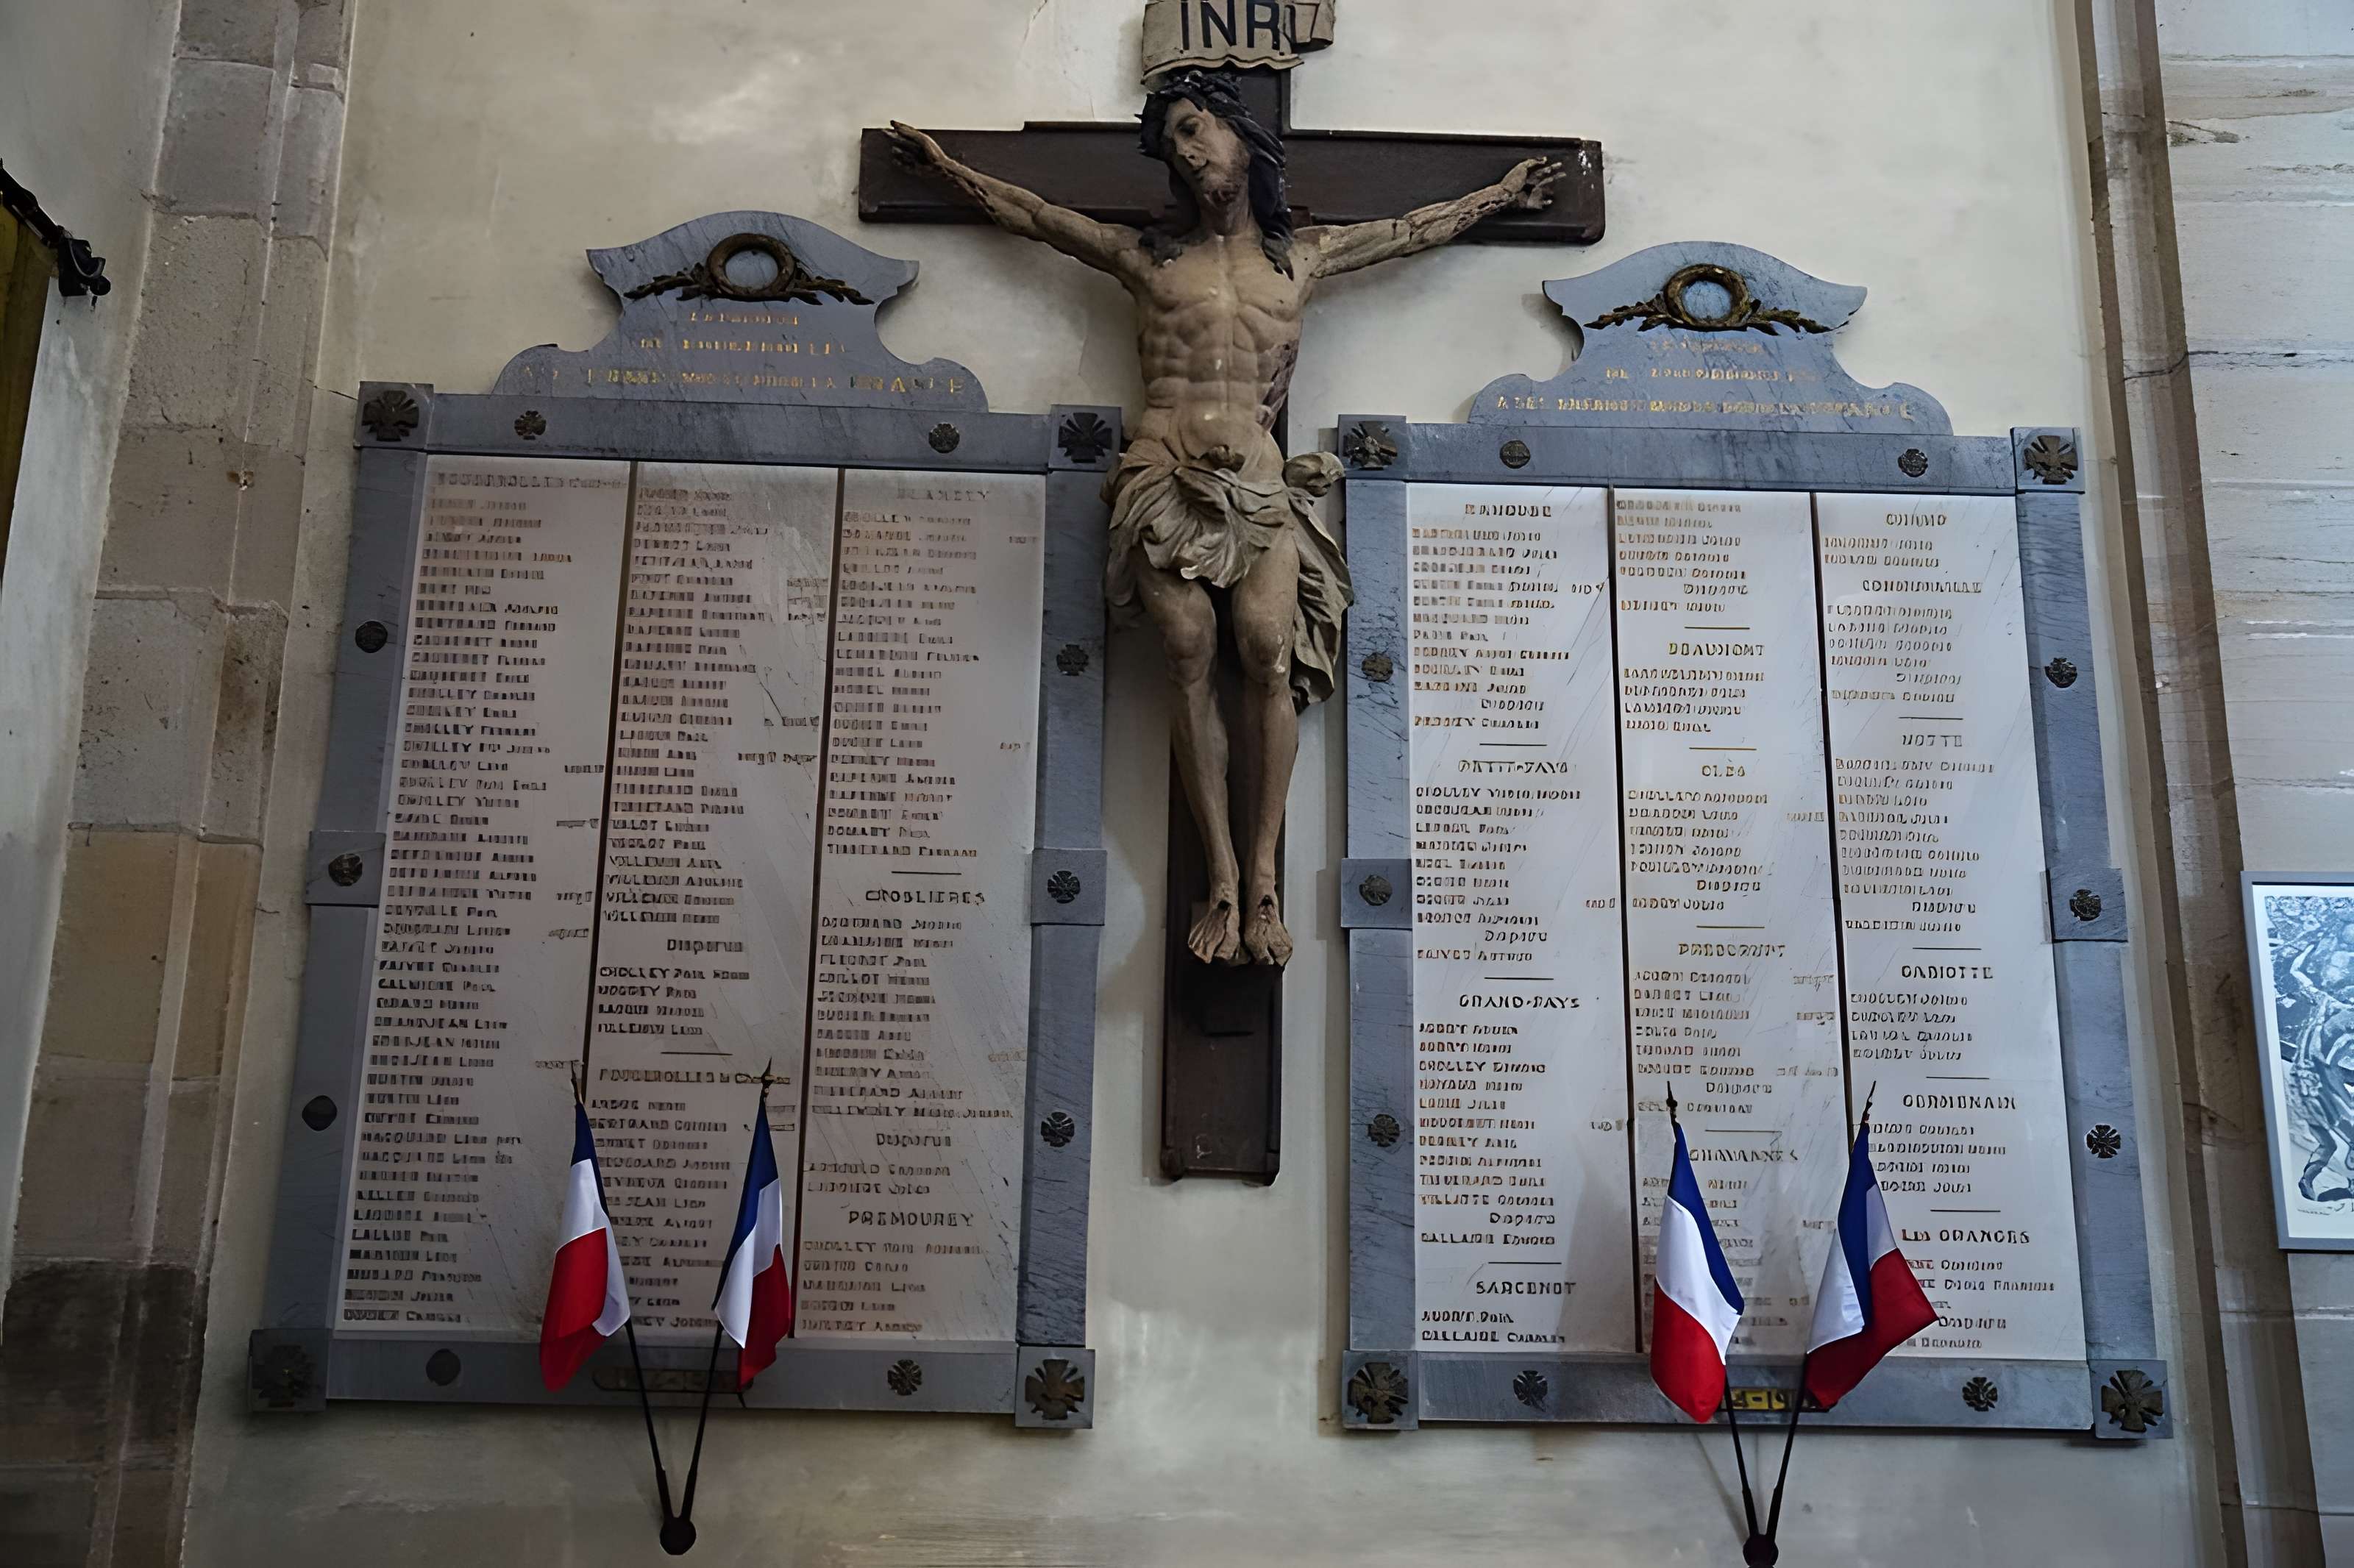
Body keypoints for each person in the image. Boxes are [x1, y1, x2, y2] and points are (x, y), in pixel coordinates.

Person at [889, 70, 1561, 966]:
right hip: (1164, 471)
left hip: (1257, 478)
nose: (1187, 148)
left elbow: (1412, 230)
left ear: (1244, 138)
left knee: (1266, 648)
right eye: (1173, 140)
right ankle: (1216, 876)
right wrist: (944, 169)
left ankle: (1264, 875)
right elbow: (1037, 217)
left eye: (1197, 128)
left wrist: (1501, 197)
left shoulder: (1304, 259)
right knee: (1186, 655)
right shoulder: (1148, 260)